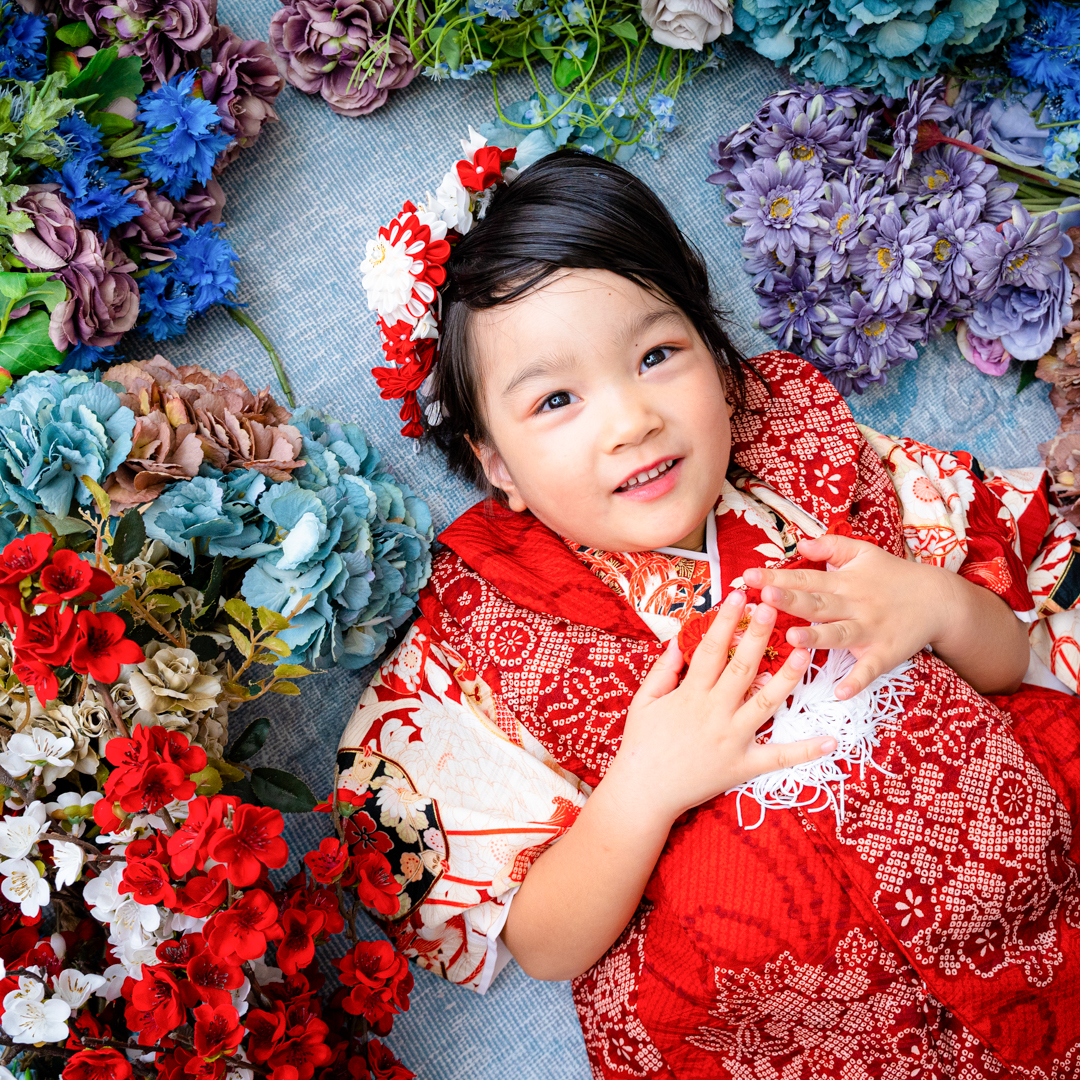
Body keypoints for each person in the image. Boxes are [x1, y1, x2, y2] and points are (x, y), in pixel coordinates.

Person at [336, 146, 1080, 1078]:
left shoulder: (812, 462)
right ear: (496, 465)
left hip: (1021, 876)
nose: (632, 420)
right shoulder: (487, 627)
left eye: (657, 356)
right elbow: (544, 943)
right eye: (557, 399)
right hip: (788, 1018)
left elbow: (1011, 659)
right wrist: (641, 791)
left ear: (720, 361)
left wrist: (933, 603)